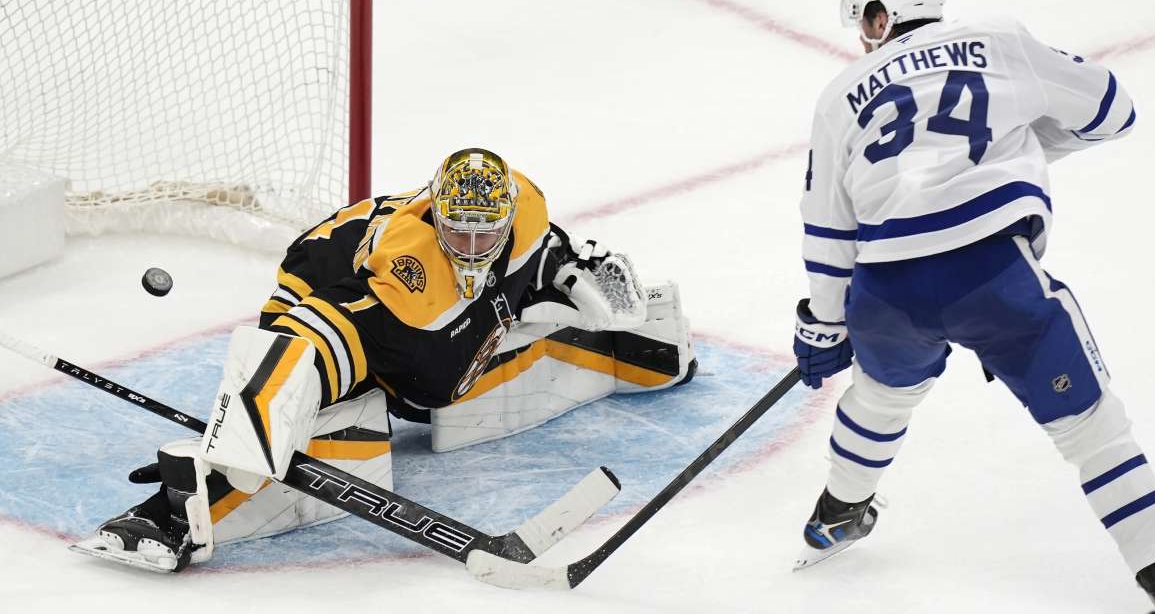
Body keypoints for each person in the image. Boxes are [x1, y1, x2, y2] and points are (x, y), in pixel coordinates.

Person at [791, 0, 1155, 614]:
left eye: (866, 22)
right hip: (993, 275)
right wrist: (1022, 141)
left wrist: (823, 326)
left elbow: (829, 229)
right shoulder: (1000, 42)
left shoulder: (837, 97)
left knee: (881, 398)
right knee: (1090, 425)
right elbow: (1113, 110)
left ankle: (837, 512)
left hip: (887, 291)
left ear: (881, 18)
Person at [71, 148, 696, 572]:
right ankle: (170, 519)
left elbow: (543, 250)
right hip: (334, 301)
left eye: (489, 233)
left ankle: (643, 353)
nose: (475, 248)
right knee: (333, 408)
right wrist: (247, 439)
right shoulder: (404, 274)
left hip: (429, 339)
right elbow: (311, 338)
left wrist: (570, 270)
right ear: (435, 216)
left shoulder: (527, 215)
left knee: (488, 348)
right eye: (461, 233)